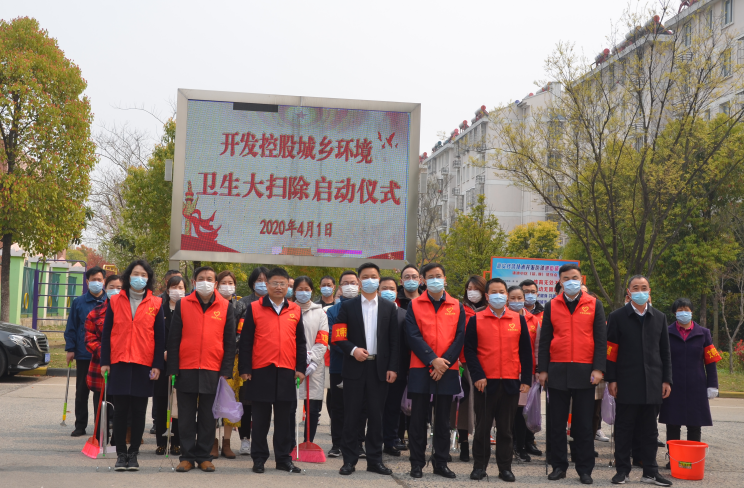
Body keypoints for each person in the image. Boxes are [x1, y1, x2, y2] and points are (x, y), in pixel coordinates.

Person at [538, 263, 606, 485]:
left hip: (585, 371)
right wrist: (542, 370)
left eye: (574, 278)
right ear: (560, 281)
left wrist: (598, 368)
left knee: (584, 424)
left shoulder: (594, 304)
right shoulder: (551, 305)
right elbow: (545, 340)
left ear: (581, 279)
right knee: (556, 424)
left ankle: (584, 469)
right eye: (566, 278)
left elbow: (600, 339)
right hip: (557, 370)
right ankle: (559, 466)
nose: (570, 282)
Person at [332, 262, 399, 477]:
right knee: (351, 416)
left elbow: (394, 342)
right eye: (365, 277)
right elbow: (338, 336)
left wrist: (393, 368)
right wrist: (353, 350)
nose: (370, 280)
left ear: (379, 280)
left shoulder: (389, 307)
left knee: (376, 417)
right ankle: (349, 461)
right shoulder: (348, 306)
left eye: (374, 276)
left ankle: (374, 461)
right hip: (354, 367)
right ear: (359, 281)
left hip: (379, 369)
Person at [167, 266, 236, 473]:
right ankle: (187, 457)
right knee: (186, 417)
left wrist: (226, 370)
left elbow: (229, 342)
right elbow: (174, 338)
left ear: (215, 283)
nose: (205, 282)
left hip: (212, 369)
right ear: (194, 282)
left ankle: (204, 456)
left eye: (209, 279)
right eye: (201, 278)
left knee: (208, 417)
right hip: (186, 367)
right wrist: (173, 367)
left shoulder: (226, 306)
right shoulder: (183, 304)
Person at [606, 275, 673, 486]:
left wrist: (666, 380)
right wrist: (611, 379)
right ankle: (622, 471)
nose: (640, 291)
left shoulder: (659, 317)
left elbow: (665, 352)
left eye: (644, 287)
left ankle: (650, 472)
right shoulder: (617, 317)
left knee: (650, 431)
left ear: (649, 291)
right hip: (626, 382)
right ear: (629, 292)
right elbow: (610, 352)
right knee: (624, 428)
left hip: (653, 382)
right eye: (636, 288)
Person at [239, 267, 306, 474]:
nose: (278, 287)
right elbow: (246, 340)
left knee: (285, 419)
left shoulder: (295, 309)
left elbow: (301, 342)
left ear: (288, 286)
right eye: (274, 283)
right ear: (267, 285)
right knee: (260, 419)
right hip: (261, 369)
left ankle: (283, 459)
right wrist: (245, 368)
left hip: (286, 370)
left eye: (282, 283)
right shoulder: (254, 307)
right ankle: (259, 459)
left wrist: (300, 368)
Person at [465, 278, 532, 482]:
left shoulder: (517, 319)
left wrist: (526, 379)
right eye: (494, 292)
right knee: (482, 428)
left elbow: (526, 352)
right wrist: (478, 375)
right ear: (487, 296)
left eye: (502, 292)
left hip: (510, 382)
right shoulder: (476, 319)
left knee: (506, 429)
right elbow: (469, 351)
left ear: (506, 295)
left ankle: (505, 468)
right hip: (485, 383)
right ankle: (479, 466)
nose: (498, 295)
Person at [100, 260, 165, 471]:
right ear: (129, 276)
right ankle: (121, 454)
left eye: (144, 275)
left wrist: (157, 365)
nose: (139, 278)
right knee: (119, 411)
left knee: (139, 411)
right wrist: (105, 361)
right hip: (119, 362)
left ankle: (134, 453)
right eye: (136, 273)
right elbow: (107, 333)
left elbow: (160, 337)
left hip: (144, 364)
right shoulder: (115, 300)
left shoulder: (156, 303)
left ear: (149, 278)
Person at [405, 263, 465, 479]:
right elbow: (412, 336)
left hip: (447, 368)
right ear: (423, 280)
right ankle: (417, 463)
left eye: (438, 276)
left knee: (443, 420)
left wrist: (443, 363)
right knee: (418, 420)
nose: (435, 280)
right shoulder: (414, 304)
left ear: (445, 279)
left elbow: (460, 336)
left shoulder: (456, 305)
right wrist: (432, 360)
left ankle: (441, 462)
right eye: (430, 276)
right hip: (421, 367)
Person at [659, 298, 720, 469]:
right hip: (673, 384)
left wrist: (712, 384)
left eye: (686, 309)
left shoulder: (703, 334)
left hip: (696, 385)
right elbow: (661, 359)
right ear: (674, 313)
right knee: (673, 424)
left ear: (692, 312)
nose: (683, 312)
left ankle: (692, 460)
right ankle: (673, 460)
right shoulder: (666, 332)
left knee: (694, 425)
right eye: (680, 310)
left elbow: (710, 361)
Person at [325, 270, 366, 457]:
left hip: (362, 363)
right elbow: (333, 337)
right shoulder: (332, 311)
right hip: (339, 365)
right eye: (346, 283)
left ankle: (358, 443)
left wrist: (359, 351)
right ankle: (337, 443)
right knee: (338, 406)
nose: (350, 286)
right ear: (340, 287)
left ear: (359, 285)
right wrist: (352, 351)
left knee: (360, 406)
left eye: (353, 282)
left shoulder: (367, 308)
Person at [64, 266, 108, 437]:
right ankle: (80, 425)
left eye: (99, 279)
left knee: (101, 393)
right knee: (82, 391)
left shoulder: (110, 302)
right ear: (87, 281)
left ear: (104, 281)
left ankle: (101, 426)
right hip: (83, 353)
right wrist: (70, 348)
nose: (96, 282)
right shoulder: (79, 302)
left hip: (102, 356)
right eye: (93, 279)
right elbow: (72, 327)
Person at [452, 275, 487, 462]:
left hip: (485, 365)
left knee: (483, 406)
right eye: (469, 288)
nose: (472, 292)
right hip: (463, 364)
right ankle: (464, 444)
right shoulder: (459, 310)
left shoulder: (490, 311)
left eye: (477, 288)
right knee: (463, 405)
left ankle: (481, 444)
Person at [84, 274, 122, 446]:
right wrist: (105, 352)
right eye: (112, 287)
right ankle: (100, 438)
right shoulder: (95, 312)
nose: (116, 291)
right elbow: (89, 338)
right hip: (100, 365)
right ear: (106, 288)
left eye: (119, 288)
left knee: (120, 404)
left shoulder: (129, 313)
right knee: (100, 403)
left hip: (122, 365)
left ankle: (117, 441)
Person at [236, 266, 269, 455]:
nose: (263, 284)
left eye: (266, 280)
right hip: (248, 359)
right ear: (252, 282)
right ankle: (244, 439)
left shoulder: (274, 303)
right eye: (259, 280)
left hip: (266, 360)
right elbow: (237, 334)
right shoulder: (243, 304)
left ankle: (260, 440)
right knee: (246, 401)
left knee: (262, 404)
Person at [214, 270, 247, 459]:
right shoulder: (211, 303)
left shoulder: (241, 306)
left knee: (230, 399)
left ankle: (226, 442)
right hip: (211, 358)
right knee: (210, 399)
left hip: (232, 359)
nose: (227, 286)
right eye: (223, 282)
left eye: (230, 283)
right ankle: (212, 441)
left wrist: (227, 347)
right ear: (217, 285)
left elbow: (241, 334)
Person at [507, 285, 540, 463]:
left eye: (520, 298)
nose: (517, 301)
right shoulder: (503, 318)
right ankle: (508, 445)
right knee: (508, 411)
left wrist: (537, 370)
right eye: (513, 298)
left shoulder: (533, 320)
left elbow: (537, 348)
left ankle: (521, 446)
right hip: (506, 371)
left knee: (521, 412)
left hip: (526, 373)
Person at [294, 276, 329, 443]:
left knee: (313, 407)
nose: (303, 292)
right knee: (291, 406)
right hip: (293, 363)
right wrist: (299, 357)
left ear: (312, 291)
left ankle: (308, 441)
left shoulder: (320, 313)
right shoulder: (289, 310)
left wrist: (312, 359)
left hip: (315, 365)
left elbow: (323, 337)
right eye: (300, 289)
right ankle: (290, 442)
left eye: (306, 289)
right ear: (294, 291)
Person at [154, 275, 185, 456]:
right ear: (167, 290)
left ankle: (177, 442)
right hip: (162, 363)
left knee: (178, 405)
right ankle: (161, 441)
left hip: (181, 363)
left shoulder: (187, 310)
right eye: (174, 287)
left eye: (181, 288)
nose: (177, 291)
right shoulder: (160, 309)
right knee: (161, 404)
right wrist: (162, 353)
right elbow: (155, 336)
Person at [380, 276, 411, 456]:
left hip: (398, 369)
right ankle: (372, 440)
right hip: (375, 368)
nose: (388, 291)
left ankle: (390, 441)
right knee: (374, 408)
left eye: (391, 288)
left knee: (393, 408)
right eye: (384, 288)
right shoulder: (373, 313)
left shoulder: (404, 314)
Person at [519, 279, 543, 457]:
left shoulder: (542, 315)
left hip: (533, 370)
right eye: (525, 291)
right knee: (517, 409)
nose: (529, 295)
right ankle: (516, 443)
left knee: (531, 408)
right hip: (515, 369)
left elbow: (539, 346)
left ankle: (529, 440)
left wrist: (539, 368)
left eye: (532, 291)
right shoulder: (512, 314)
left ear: (537, 293)